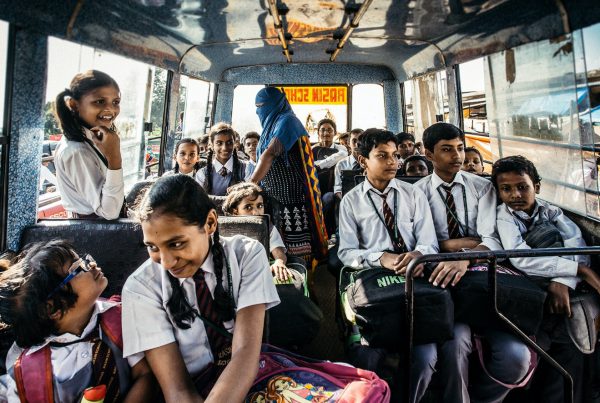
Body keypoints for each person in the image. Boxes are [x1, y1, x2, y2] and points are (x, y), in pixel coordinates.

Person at [122, 175, 279, 402]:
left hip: (246, 375)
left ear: (211, 223)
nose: (165, 262)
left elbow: (245, 353)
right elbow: (177, 390)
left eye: (176, 244)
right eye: (152, 247)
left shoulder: (246, 255)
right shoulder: (140, 288)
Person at [338, 128, 468, 403]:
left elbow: (429, 243)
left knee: (426, 356)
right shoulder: (351, 201)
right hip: (375, 283)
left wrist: (420, 255)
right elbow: (346, 252)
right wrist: (380, 257)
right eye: (382, 156)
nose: (393, 162)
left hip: (414, 278)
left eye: (395, 156)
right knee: (366, 356)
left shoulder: (413, 195)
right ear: (363, 161)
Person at [415, 122, 531, 402]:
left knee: (517, 357)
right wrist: (464, 245)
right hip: (440, 277)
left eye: (459, 148)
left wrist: (463, 255)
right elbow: (424, 243)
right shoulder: (416, 192)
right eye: (446, 150)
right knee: (456, 344)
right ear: (429, 154)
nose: (457, 156)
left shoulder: (483, 187)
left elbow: (492, 239)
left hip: (483, 276)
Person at [492, 155, 600, 403]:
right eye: (506, 189)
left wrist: (564, 281)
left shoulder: (551, 211)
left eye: (522, 187)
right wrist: (579, 272)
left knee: (576, 343)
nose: (515, 195)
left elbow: (576, 244)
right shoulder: (504, 217)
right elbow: (521, 258)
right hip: (531, 290)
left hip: (564, 288)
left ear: (537, 187)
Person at [0, 240, 155, 403]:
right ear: (52, 309)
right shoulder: (29, 370)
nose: (92, 264)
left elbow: (144, 374)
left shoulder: (118, 318)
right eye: (77, 268)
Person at [250, 87, 328, 261]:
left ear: (276, 103)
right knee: (275, 246)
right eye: (256, 106)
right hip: (272, 196)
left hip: (291, 198)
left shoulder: (288, 121)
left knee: (296, 250)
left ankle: (303, 280)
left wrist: (250, 183)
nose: (258, 110)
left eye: (262, 105)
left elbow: (269, 154)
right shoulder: (270, 126)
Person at [53, 70, 124, 219]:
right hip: (92, 230)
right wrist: (115, 158)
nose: (110, 109)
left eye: (115, 102)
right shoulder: (76, 151)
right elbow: (109, 212)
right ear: (74, 104)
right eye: (99, 101)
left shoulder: (92, 139)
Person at [223, 182, 293, 282]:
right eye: (248, 207)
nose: (256, 212)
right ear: (235, 211)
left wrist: (279, 262)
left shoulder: (267, 226)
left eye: (260, 206)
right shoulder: (224, 228)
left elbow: (278, 252)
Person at [195, 122, 249, 196]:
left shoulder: (246, 168)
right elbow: (200, 201)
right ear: (211, 145)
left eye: (229, 142)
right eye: (219, 143)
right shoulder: (202, 174)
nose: (225, 148)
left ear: (234, 144)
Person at [333, 128, 364, 200]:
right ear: (348, 144)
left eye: (360, 141)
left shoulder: (370, 163)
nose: (357, 144)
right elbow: (338, 189)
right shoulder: (341, 164)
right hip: (347, 199)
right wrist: (347, 203)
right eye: (354, 141)